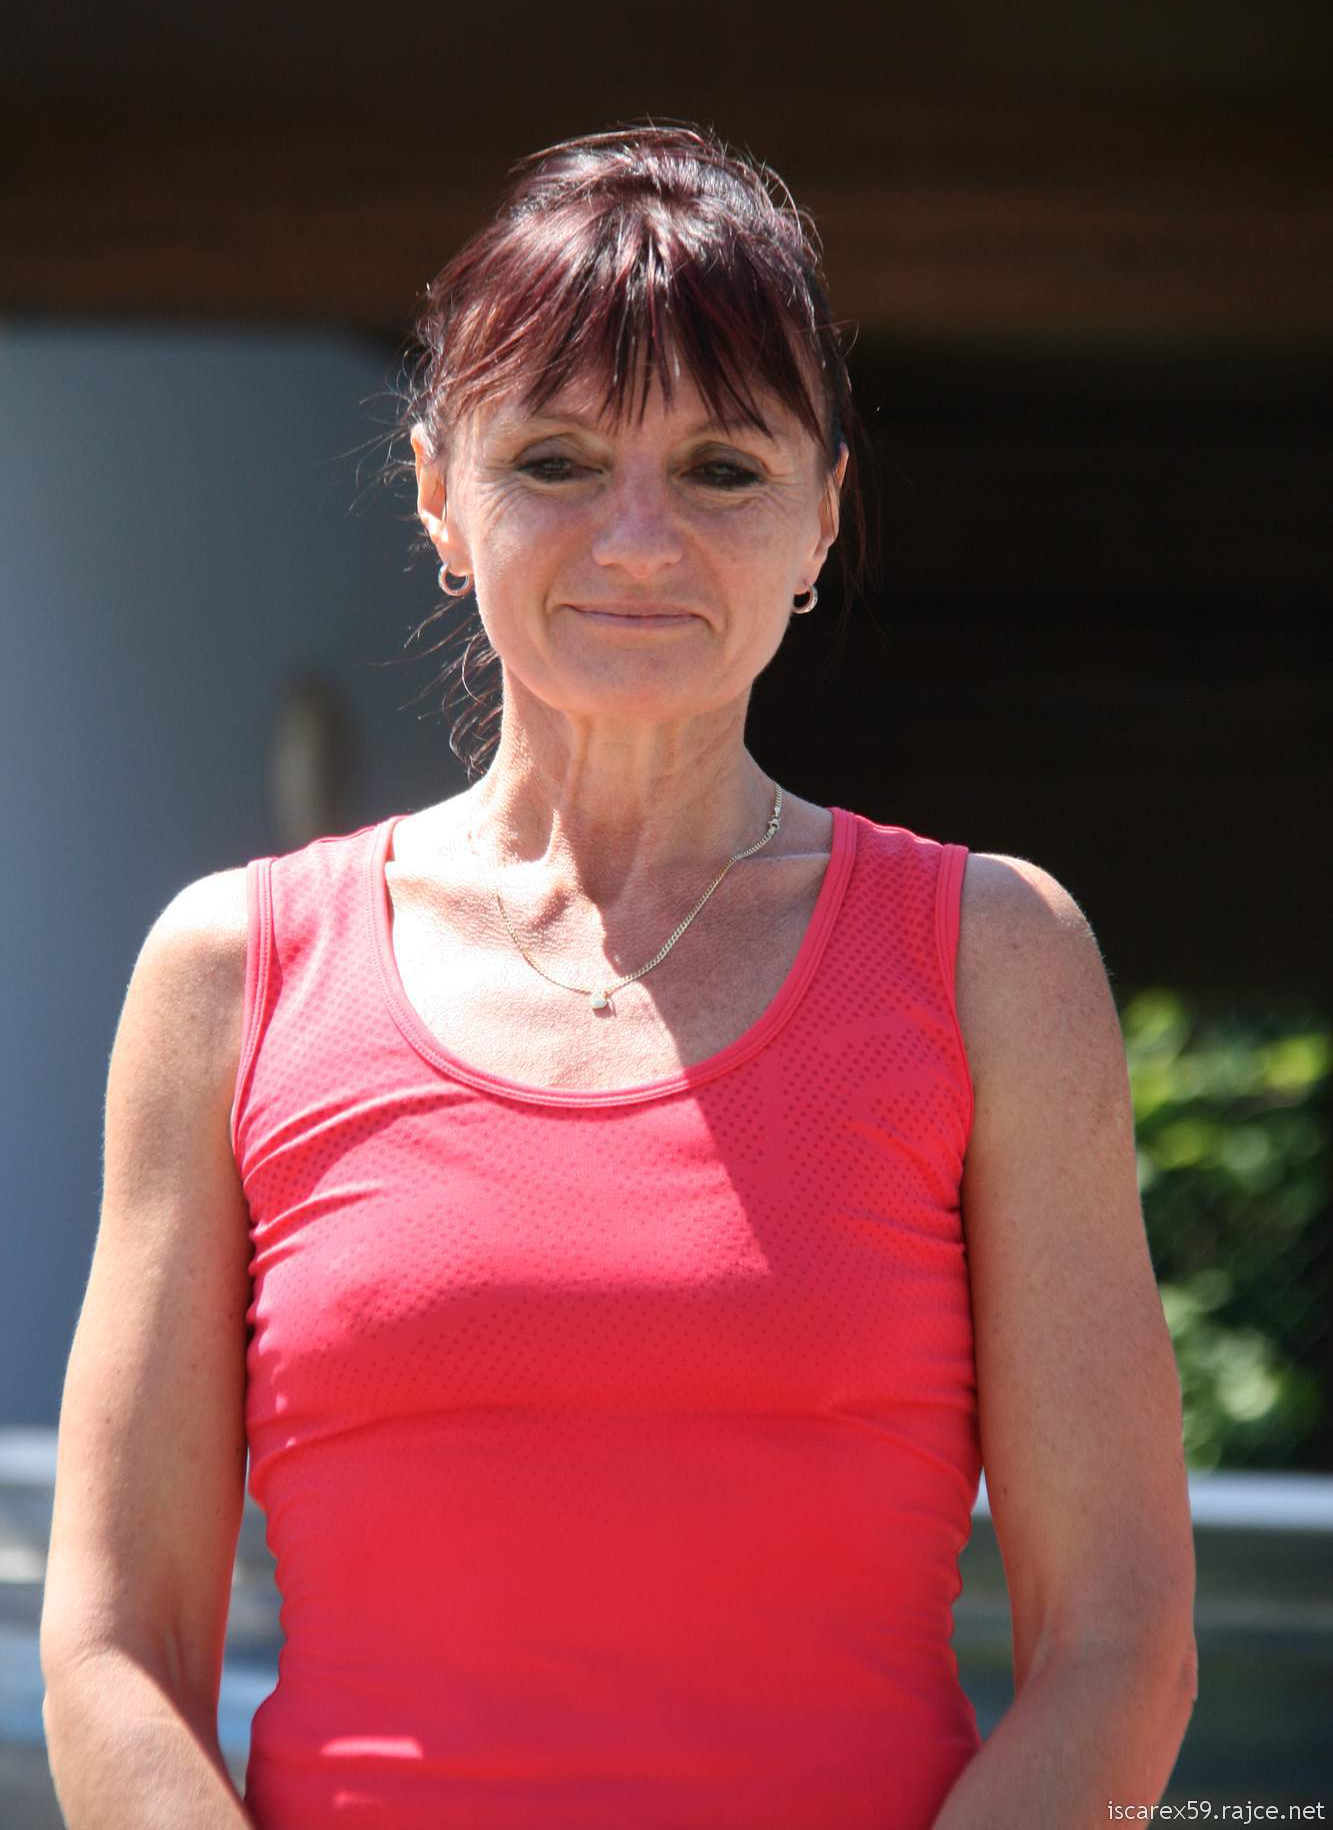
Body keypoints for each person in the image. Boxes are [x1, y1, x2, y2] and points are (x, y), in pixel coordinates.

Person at [39, 122, 1197, 1830]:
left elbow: (1120, 1643)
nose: (639, 538)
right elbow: (110, 1649)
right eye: (558, 459)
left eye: (722, 467)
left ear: (820, 517)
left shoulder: (991, 962)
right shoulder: (233, 973)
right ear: (440, 496)